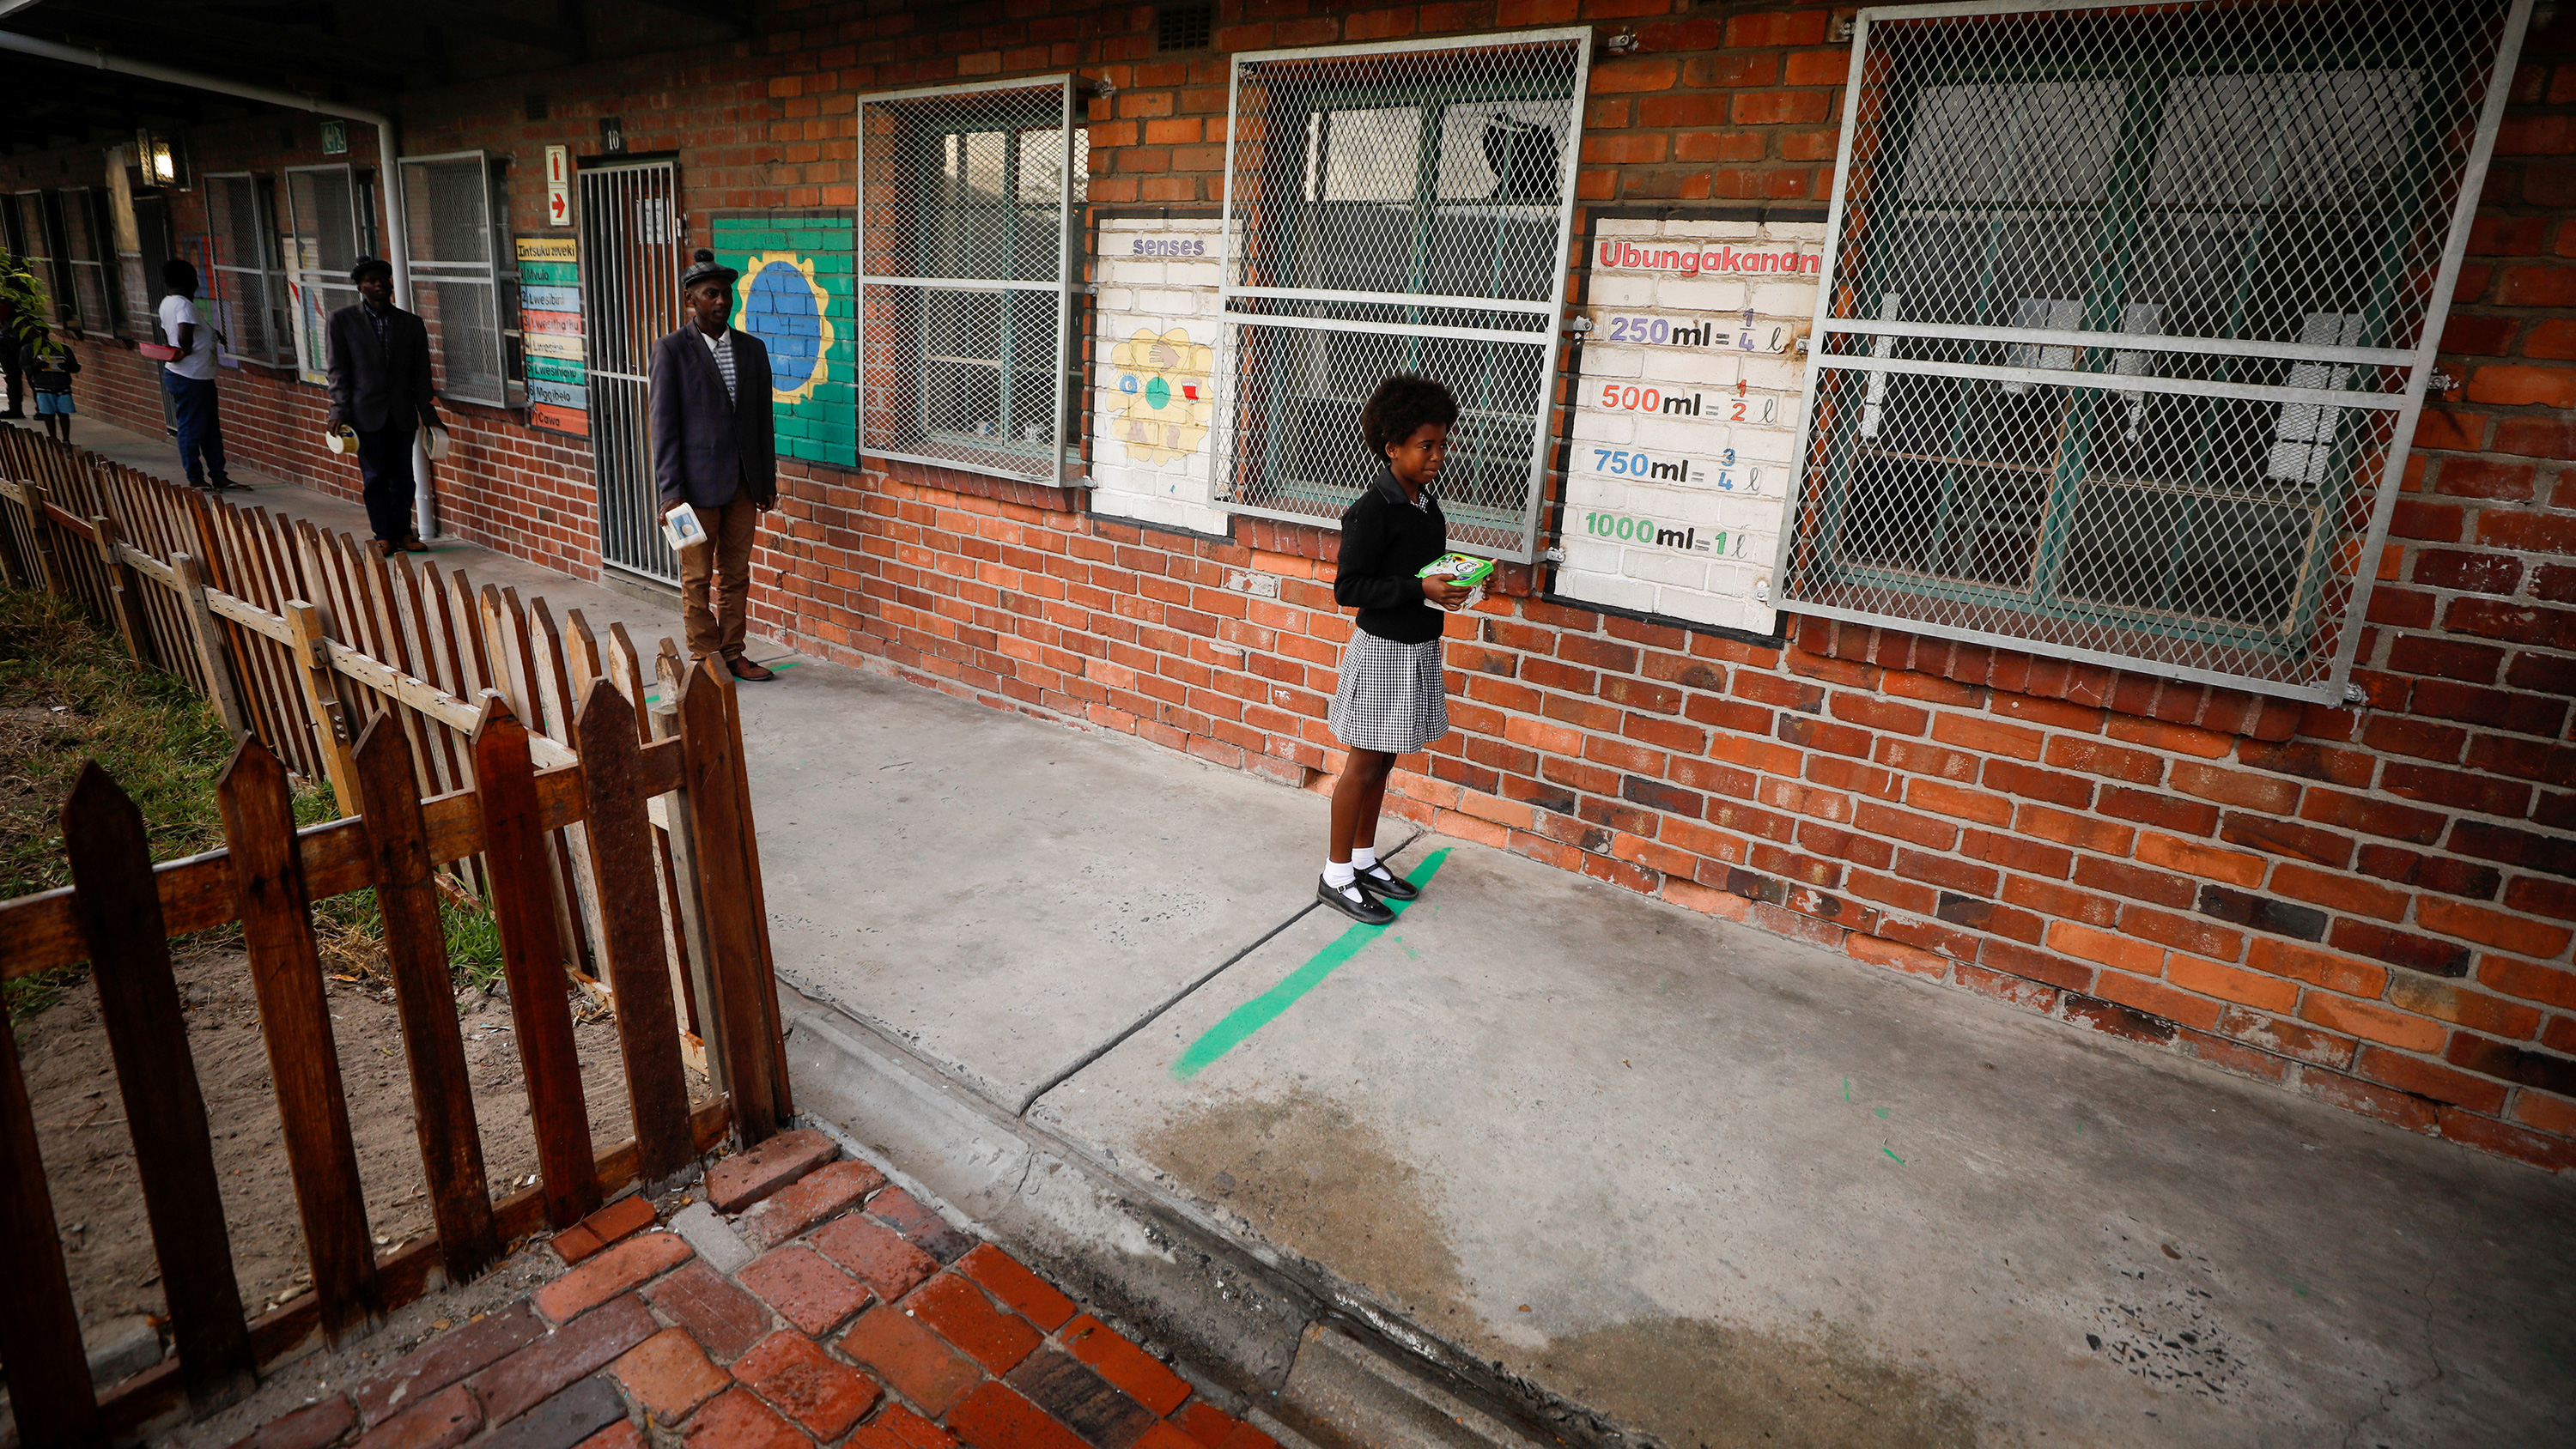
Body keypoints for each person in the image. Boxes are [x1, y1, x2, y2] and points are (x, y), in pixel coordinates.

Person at [1317, 374, 1471, 925]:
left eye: (1443, 443)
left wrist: (1449, 587)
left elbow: (1422, 572)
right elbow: (1349, 588)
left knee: (1384, 763)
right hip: (1383, 654)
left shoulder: (1426, 506)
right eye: (1426, 445)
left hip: (1418, 646)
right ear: (1392, 448)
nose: (1438, 455)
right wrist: (1418, 589)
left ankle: (1362, 858)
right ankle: (1336, 875)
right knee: (1361, 765)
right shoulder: (1371, 511)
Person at [649, 247, 776, 682]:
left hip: (743, 485)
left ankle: (733, 651)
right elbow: (663, 427)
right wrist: (670, 492)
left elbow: (762, 421)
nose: (722, 301)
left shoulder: (752, 350)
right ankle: (706, 658)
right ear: (691, 300)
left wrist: (765, 480)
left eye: (726, 294)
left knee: (737, 574)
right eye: (711, 294)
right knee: (698, 577)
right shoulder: (670, 351)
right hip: (693, 490)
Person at [325, 256, 440, 556]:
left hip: (402, 414)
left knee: (404, 478)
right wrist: (338, 410)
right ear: (360, 287)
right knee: (375, 477)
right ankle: (383, 534)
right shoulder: (342, 321)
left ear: (390, 283)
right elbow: (338, 370)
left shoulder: (411, 324)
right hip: (365, 414)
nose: (377, 284)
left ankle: (404, 532)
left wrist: (428, 413)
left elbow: (421, 372)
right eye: (370, 280)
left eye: (382, 279)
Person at [156, 259, 245, 492]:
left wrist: (212, 334)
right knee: (192, 429)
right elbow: (184, 337)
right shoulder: (185, 306)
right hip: (191, 377)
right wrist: (184, 350)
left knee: (209, 430)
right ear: (191, 282)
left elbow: (178, 332)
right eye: (195, 278)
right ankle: (196, 479)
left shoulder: (168, 303)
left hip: (196, 377)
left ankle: (218, 476)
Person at [23, 327, 77, 443]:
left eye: (37, 332)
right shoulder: (28, 350)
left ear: (45, 332)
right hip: (43, 385)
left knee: (64, 412)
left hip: (62, 384)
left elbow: (75, 367)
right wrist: (36, 367)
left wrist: (66, 366)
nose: (34, 335)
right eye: (31, 333)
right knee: (48, 413)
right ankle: (53, 439)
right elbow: (26, 368)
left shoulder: (62, 349)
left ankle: (66, 439)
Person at [0, 296, 25, 419]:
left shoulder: (14, 303)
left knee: (32, 375)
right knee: (12, 378)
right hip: (7, 343)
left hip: (18, 342)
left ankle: (42, 410)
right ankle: (15, 408)